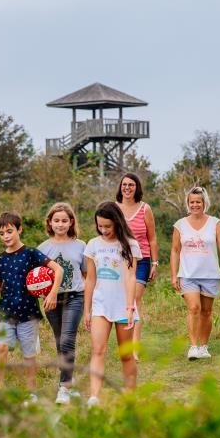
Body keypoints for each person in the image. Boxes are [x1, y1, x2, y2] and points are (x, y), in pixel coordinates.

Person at [0, 211, 63, 404]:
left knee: (28, 354)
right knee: (1, 348)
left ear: (19, 229)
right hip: (6, 311)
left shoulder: (31, 253)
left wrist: (52, 292)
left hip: (28, 314)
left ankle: (32, 392)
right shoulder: (0, 260)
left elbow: (58, 269)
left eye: (9, 231)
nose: (6, 236)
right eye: (2, 234)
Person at [83, 201, 142, 407]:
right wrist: (87, 310)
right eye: (100, 226)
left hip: (123, 305)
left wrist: (129, 306)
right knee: (98, 350)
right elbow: (90, 279)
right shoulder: (93, 245)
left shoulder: (131, 245)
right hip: (101, 305)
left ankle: (130, 396)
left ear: (117, 222)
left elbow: (131, 277)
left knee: (126, 354)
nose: (104, 230)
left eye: (108, 226)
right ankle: (94, 396)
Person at [170, 187, 220, 360]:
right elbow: (175, 250)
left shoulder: (215, 223)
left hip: (210, 274)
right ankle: (193, 347)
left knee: (206, 311)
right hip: (188, 274)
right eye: (192, 202)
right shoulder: (180, 224)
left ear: (204, 203)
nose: (195, 205)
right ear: (188, 203)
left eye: (198, 201)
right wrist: (174, 275)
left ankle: (204, 347)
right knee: (194, 308)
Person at [38, 202, 87, 405]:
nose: (60, 224)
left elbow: (86, 274)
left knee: (67, 340)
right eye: (56, 220)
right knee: (60, 343)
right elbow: (37, 278)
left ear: (71, 222)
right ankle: (69, 380)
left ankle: (63, 388)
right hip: (52, 300)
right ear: (50, 223)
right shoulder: (42, 248)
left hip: (75, 296)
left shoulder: (81, 246)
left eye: (64, 220)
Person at [115, 172, 159, 362]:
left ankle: (134, 349)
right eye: (124, 185)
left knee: (135, 301)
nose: (127, 188)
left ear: (137, 187)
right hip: (119, 260)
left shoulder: (145, 209)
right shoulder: (114, 208)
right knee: (123, 302)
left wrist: (155, 263)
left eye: (131, 185)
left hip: (142, 260)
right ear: (120, 187)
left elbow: (152, 238)